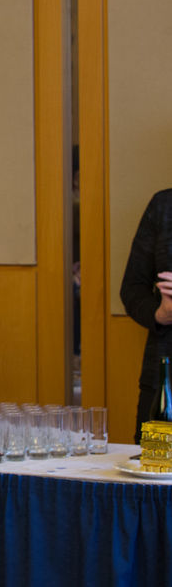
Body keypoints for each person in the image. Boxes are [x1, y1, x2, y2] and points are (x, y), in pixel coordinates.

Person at [120, 188, 172, 442]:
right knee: (154, 466)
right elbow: (132, 289)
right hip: (162, 383)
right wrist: (160, 314)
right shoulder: (163, 206)